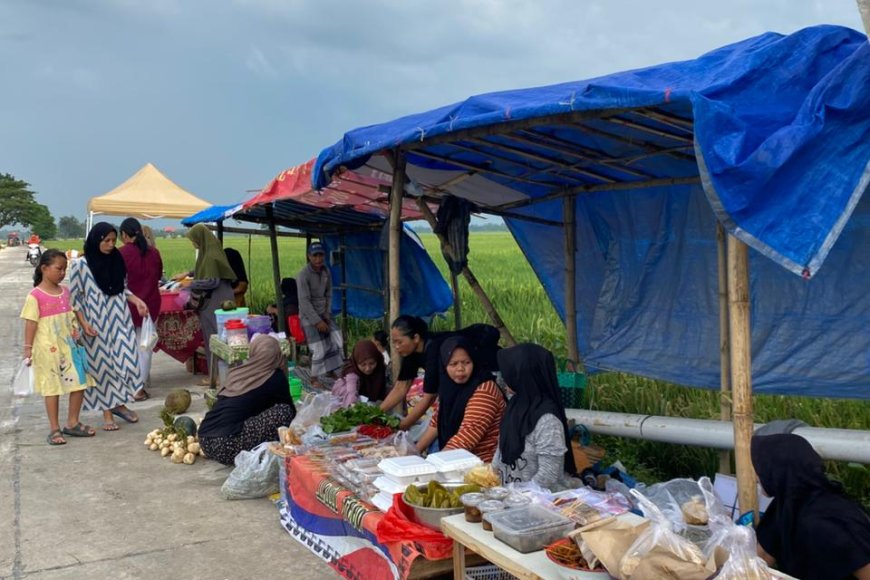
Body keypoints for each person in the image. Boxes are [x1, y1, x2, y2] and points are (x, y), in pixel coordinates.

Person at [751, 433, 870, 580]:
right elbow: (761, 558)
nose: (756, 476)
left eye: (760, 468)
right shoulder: (787, 506)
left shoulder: (829, 521)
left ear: (777, 471)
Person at [69, 223, 149, 431]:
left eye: (113, 241)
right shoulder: (81, 265)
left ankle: (118, 404)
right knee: (104, 368)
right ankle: (108, 413)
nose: (110, 245)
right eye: (106, 241)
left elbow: (122, 289)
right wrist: (83, 322)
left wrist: (137, 301)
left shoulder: (117, 260)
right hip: (95, 324)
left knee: (128, 363)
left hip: (119, 320)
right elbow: (75, 298)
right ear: (96, 240)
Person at [21, 250, 96, 445]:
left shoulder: (65, 291)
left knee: (80, 381)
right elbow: (30, 323)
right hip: (47, 349)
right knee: (51, 387)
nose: (62, 273)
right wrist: (28, 348)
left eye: (65, 269)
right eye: (58, 269)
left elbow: (75, 310)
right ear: (44, 268)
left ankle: (72, 422)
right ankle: (54, 429)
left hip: (70, 346)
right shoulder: (35, 296)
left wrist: (84, 324)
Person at [381, 316, 499, 430]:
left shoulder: (434, 348)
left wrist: (401, 426)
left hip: (490, 369)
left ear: (416, 338)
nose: (396, 347)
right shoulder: (410, 353)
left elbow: (430, 397)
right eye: (394, 343)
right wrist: (376, 414)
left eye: (399, 342)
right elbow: (400, 388)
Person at [198, 336, 297, 465]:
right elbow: (291, 413)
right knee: (284, 411)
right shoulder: (275, 377)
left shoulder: (237, 373)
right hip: (225, 446)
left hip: (204, 439)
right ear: (277, 355)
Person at [494, 343, 578, 491]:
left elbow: (548, 475)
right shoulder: (515, 405)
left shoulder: (547, 420)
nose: (504, 378)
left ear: (522, 375)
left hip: (541, 503)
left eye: (508, 373)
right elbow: (500, 450)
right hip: (511, 498)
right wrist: (492, 476)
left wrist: (518, 498)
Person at [416, 337, 505, 461]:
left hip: (482, 464)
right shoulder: (449, 387)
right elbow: (438, 421)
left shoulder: (484, 390)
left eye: (466, 362)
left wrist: (433, 464)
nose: (460, 369)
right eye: (453, 364)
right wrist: (415, 451)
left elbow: (466, 438)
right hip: (454, 459)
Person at [182, 224, 236, 381]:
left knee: (217, 338)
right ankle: (218, 375)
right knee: (214, 338)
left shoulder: (211, 255)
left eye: (193, 240)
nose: (193, 243)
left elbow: (212, 281)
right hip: (216, 301)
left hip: (216, 301)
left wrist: (190, 284)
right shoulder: (209, 252)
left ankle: (220, 377)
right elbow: (204, 270)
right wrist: (189, 274)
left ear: (200, 238)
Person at [118, 217, 163, 401]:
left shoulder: (121, 253)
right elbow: (159, 276)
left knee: (127, 347)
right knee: (145, 347)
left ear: (124, 234)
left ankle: (129, 386)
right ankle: (139, 387)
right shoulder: (154, 253)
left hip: (128, 305)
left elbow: (117, 281)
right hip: (151, 304)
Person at [296, 243, 342, 378]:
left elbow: (329, 294)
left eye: (320, 255)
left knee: (335, 342)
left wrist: (326, 315)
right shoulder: (303, 275)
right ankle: (314, 377)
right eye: (314, 255)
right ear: (309, 256)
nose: (318, 259)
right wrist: (317, 322)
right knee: (318, 349)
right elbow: (304, 302)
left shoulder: (326, 271)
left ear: (324, 256)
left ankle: (331, 370)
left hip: (324, 312)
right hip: (308, 315)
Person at [331, 340, 388, 407]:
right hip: (347, 400)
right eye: (363, 365)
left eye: (372, 363)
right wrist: (353, 408)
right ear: (356, 363)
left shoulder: (380, 367)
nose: (368, 368)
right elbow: (351, 393)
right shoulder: (352, 374)